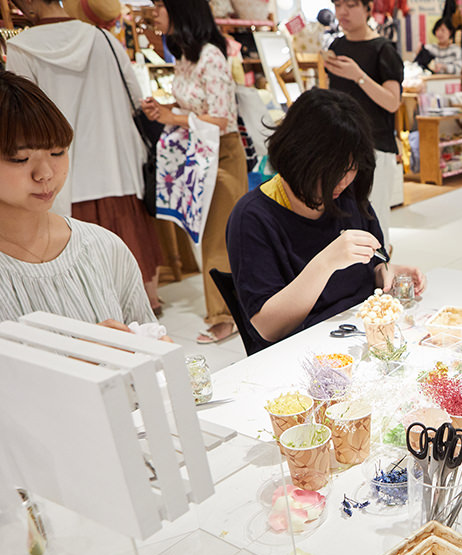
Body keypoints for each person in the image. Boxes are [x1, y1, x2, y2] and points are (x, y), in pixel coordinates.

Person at [226, 89, 425, 353]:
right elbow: (268, 327)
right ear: (300, 158)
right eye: (334, 170)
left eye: (352, 168)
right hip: (302, 353)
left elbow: (372, 265)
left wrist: (386, 272)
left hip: (361, 337)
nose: (345, 180)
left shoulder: (347, 194)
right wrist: (326, 263)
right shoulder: (252, 217)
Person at [7, 0, 165, 315]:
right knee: (128, 236)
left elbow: (22, 117)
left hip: (61, 170)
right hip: (117, 161)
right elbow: (136, 98)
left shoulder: (21, 48)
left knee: (71, 243)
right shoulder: (104, 39)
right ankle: (149, 303)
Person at [0, 72, 154, 328]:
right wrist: (83, 351)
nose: (45, 174)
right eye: (20, 159)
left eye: (57, 152)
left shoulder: (102, 247)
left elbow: (147, 335)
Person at [142, 0, 246, 344]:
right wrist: (167, 109)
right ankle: (225, 308)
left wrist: (171, 116)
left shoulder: (211, 56)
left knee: (217, 237)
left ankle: (225, 315)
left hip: (221, 154)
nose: (155, 13)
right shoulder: (185, 55)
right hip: (198, 153)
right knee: (206, 234)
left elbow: (220, 119)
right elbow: (195, 106)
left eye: (161, 5)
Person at [324, 0, 404, 250]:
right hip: (339, 146)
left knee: (375, 219)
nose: (343, 12)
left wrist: (358, 76)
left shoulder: (383, 49)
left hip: (375, 146)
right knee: (343, 219)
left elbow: (392, 102)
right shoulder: (336, 46)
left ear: (368, 8)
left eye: (351, 5)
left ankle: (382, 270)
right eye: (338, 5)